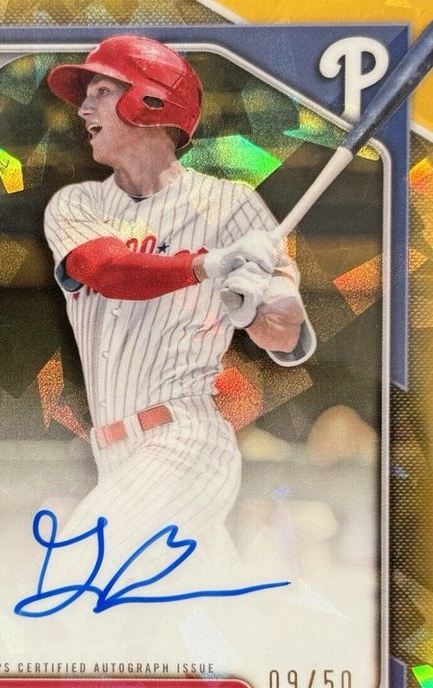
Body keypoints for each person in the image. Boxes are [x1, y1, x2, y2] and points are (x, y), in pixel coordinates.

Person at [41, 35, 315, 600]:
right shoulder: (76, 204)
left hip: (185, 442)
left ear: (151, 101)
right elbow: (107, 270)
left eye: (101, 91)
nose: (83, 108)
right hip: (113, 454)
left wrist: (271, 307)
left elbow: (278, 329)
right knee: (208, 622)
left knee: (73, 579)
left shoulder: (231, 205)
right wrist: (209, 264)